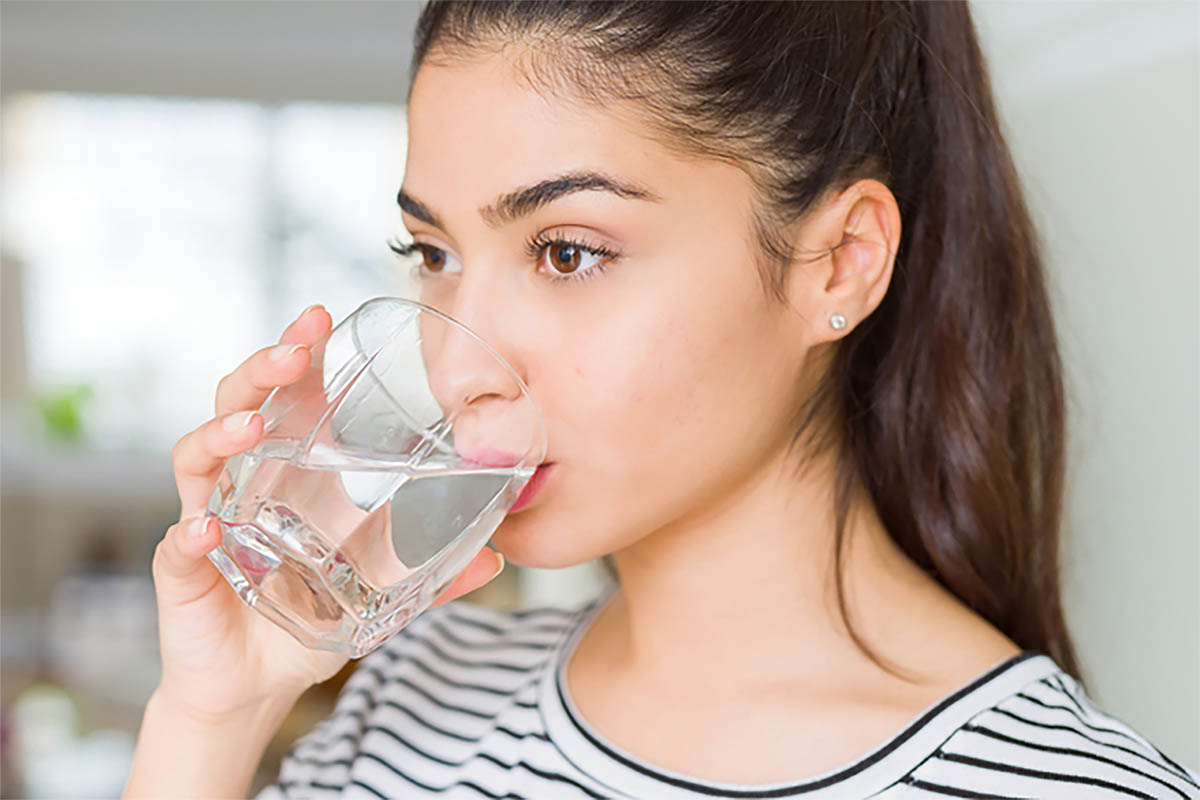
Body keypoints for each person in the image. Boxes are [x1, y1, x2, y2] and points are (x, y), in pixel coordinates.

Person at [123, 2, 1200, 798]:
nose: (456, 370)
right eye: (434, 250)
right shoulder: (416, 694)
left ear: (839, 263)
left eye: (569, 251)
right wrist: (215, 715)